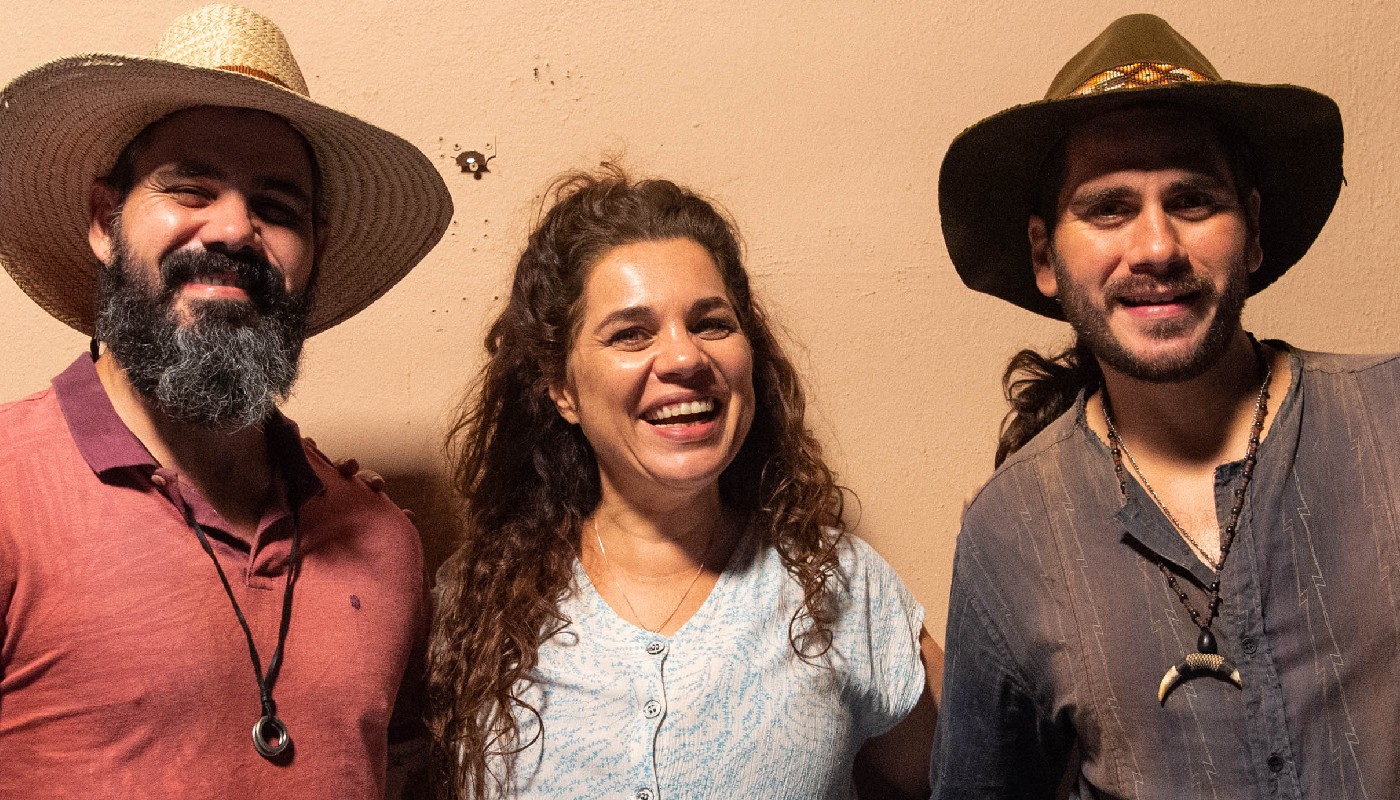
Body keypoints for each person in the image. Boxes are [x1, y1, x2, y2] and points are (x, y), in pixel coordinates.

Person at [932, 13, 1398, 799]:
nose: (1155, 248)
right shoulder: (1009, 536)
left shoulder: (1387, 420)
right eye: (1108, 208)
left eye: (1191, 199)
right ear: (1046, 256)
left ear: (1251, 233)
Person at [0, 5, 453, 797]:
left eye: (276, 207)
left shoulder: (384, 546)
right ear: (105, 221)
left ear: (316, 250)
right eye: (191, 189)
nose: (235, 230)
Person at [427, 168, 938, 800]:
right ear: (561, 388)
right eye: (631, 334)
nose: (684, 358)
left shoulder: (839, 586)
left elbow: (982, 775)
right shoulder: (475, 603)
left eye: (711, 323)